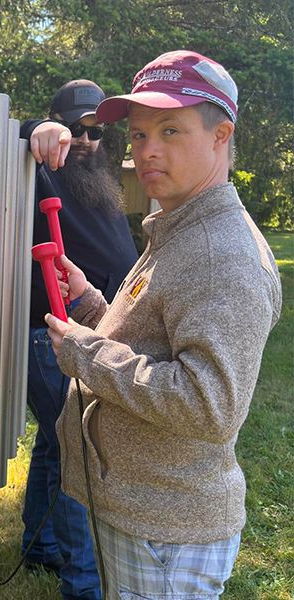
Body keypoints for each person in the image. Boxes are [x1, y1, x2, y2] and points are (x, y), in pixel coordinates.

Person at [42, 51, 282, 599]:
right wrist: (90, 307)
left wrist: (85, 353)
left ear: (221, 135)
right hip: (139, 511)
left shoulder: (222, 256)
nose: (147, 150)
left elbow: (208, 404)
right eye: (138, 134)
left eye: (170, 130)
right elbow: (155, 343)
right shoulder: (179, 227)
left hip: (166, 536)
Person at [20, 80, 139, 600]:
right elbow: (15, 138)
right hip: (53, 332)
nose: (88, 141)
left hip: (92, 324)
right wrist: (36, 131)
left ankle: (39, 545)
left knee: (55, 442)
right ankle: (85, 584)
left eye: (96, 131)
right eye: (76, 129)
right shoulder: (42, 168)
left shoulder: (94, 176)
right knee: (80, 455)